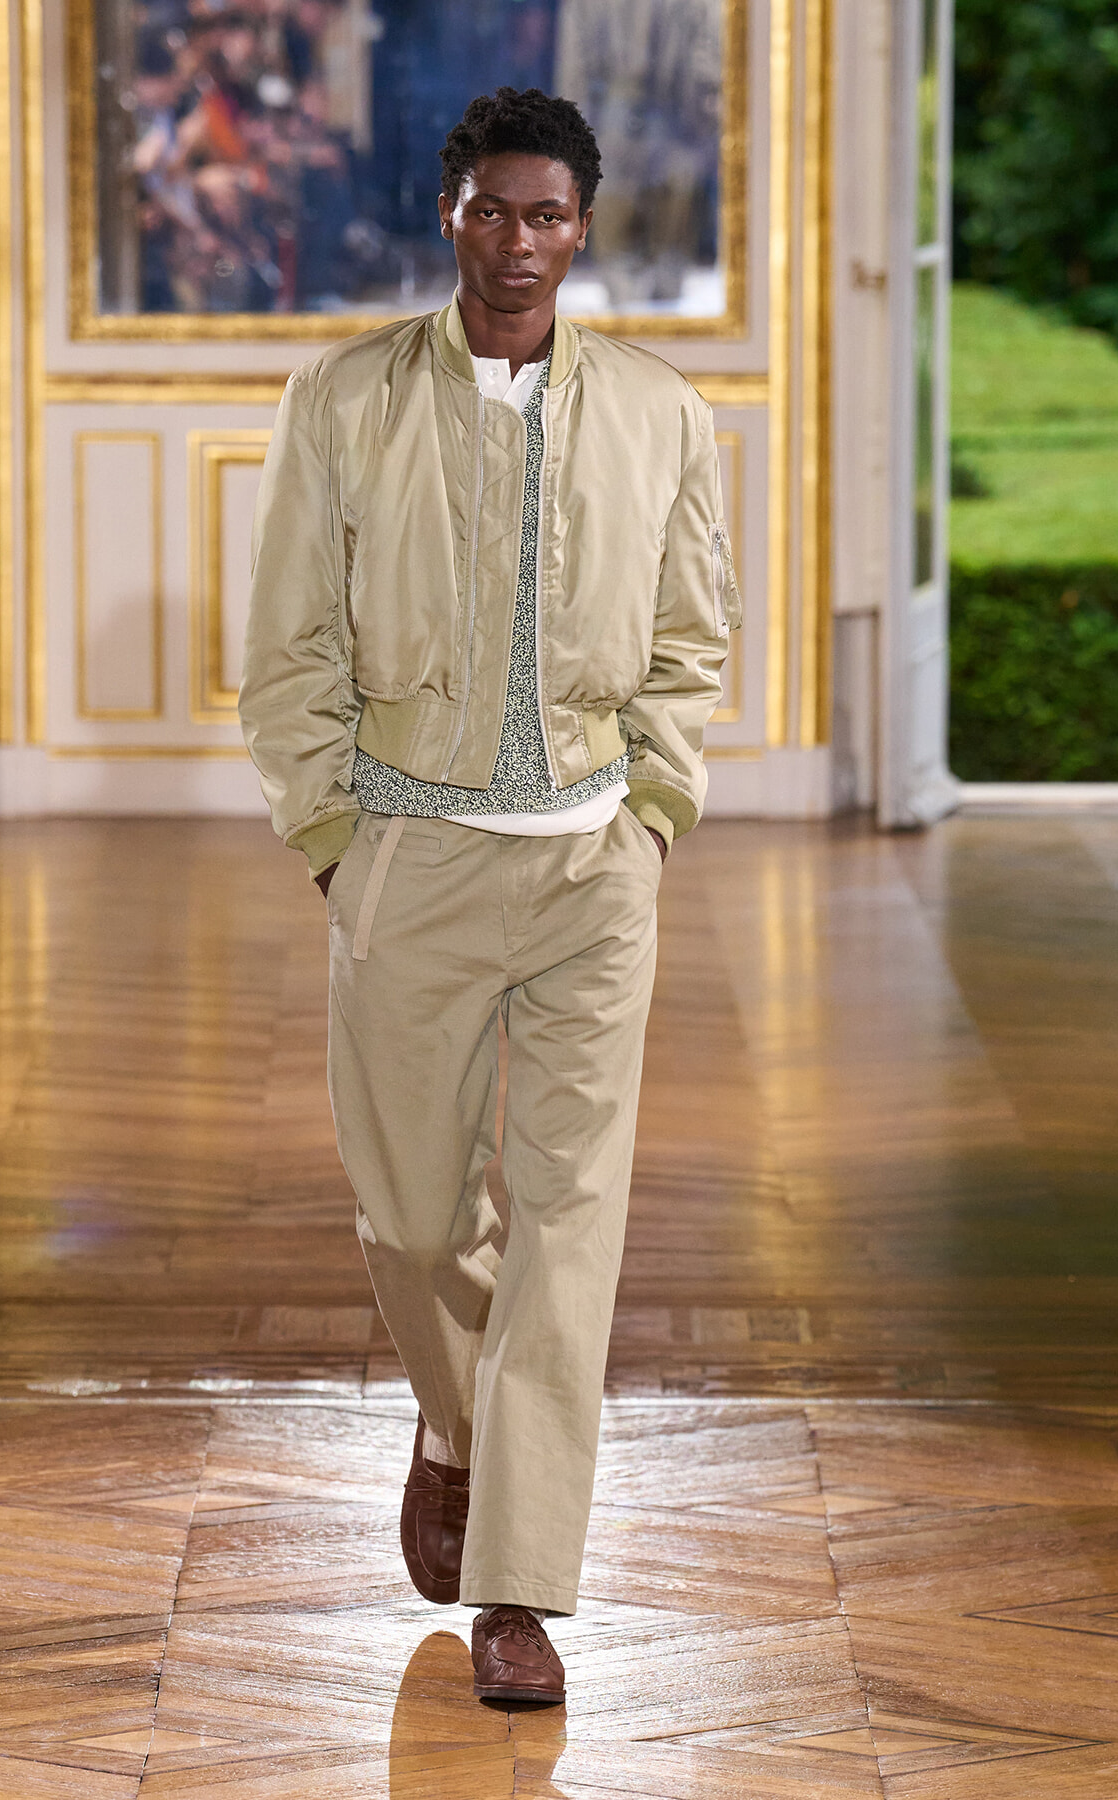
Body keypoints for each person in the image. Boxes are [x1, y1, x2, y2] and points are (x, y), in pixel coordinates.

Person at [240, 85, 738, 1706]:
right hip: (409, 858)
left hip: (596, 872)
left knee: (571, 1230)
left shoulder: (664, 414)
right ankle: (453, 1421)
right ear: (446, 214)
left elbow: (689, 640)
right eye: (489, 209)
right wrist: (336, 837)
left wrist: (653, 809)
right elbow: (291, 648)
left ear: (582, 227)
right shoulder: (347, 401)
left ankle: (518, 1590)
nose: (517, 241)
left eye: (548, 214)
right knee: (407, 1209)